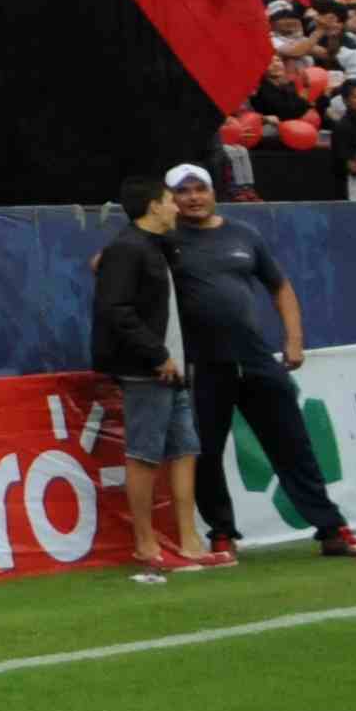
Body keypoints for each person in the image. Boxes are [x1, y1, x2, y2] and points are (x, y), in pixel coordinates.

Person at [169, 164, 356, 563]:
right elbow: (110, 263)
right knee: (206, 453)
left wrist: (295, 340)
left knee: (293, 445)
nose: (194, 197)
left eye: (200, 189)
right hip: (202, 363)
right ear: (171, 199)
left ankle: (331, 530)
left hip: (255, 357)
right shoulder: (165, 240)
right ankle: (221, 535)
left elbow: (280, 287)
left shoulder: (243, 235)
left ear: (214, 192)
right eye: (183, 191)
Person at [92, 173, 196, 582]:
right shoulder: (128, 249)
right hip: (147, 371)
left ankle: (190, 541)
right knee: (145, 453)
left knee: (185, 448)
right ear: (154, 205)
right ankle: (146, 543)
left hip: (175, 369)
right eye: (171, 199)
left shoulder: (156, 245)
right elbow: (115, 309)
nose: (177, 206)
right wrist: (156, 355)